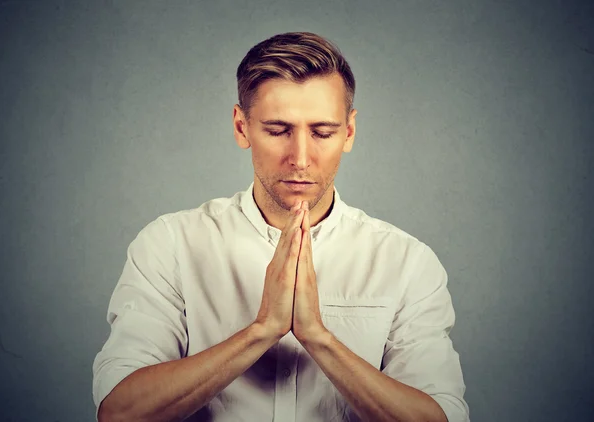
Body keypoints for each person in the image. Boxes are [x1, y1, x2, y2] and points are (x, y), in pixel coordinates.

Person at [92, 31, 469, 422]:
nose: (301, 158)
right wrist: (262, 330)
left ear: (349, 133)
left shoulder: (407, 262)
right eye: (277, 130)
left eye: (323, 132)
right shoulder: (169, 245)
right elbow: (120, 412)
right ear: (242, 128)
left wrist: (318, 339)